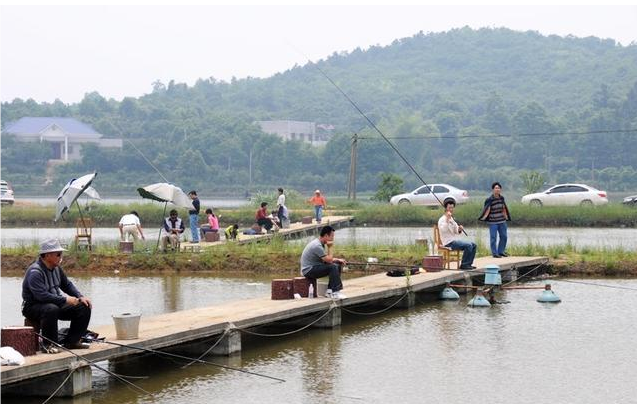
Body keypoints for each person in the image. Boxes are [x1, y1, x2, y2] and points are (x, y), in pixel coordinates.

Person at [22, 239, 92, 353]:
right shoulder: (35, 272)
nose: (61, 257)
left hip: (54, 304)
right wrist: (65, 299)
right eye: (58, 254)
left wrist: (80, 296)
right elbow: (41, 296)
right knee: (51, 309)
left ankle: (72, 342)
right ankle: (50, 345)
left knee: (84, 306)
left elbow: (67, 285)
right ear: (47, 255)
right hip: (33, 307)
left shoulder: (57, 268)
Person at [300, 225, 347, 299]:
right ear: (326, 236)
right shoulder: (317, 245)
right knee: (333, 267)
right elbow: (329, 260)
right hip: (308, 270)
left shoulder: (320, 243)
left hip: (314, 267)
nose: (333, 239)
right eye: (332, 236)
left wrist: (338, 260)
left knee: (337, 265)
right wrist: (330, 247)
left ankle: (329, 291)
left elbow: (326, 259)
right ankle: (335, 292)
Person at [438, 201, 477, 270]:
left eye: (452, 208)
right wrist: (447, 220)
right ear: (446, 208)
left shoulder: (452, 219)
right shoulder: (442, 219)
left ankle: (468, 264)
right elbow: (443, 229)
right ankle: (464, 265)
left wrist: (460, 229)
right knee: (468, 245)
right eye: (449, 208)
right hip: (448, 242)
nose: (451, 209)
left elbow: (456, 231)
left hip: (454, 241)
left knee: (474, 245)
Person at [479, 182, 511, 258]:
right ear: (493, 189)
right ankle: (495, 253)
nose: (497, 189)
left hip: (502, 220)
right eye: (496, 188)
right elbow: (486, 209)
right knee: (493, 238)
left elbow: (504, 208)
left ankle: (501, 251)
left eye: (499, 188)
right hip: (493, 222)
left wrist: (506, 217)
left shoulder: (502, 198)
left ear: (500, 189)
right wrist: (484, 218)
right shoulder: (489, 199)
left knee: (504, 236)